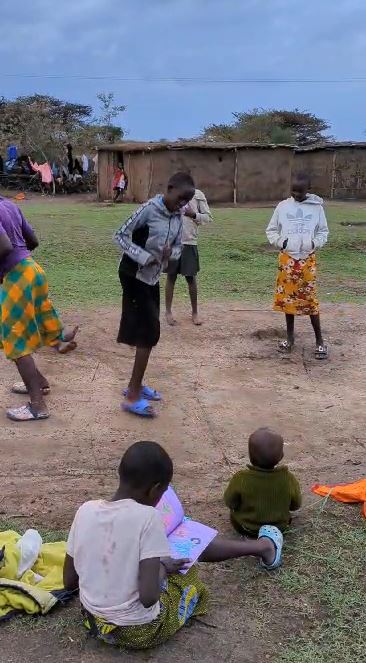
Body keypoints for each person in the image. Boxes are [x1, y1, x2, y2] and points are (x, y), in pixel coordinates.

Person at [63, 441, 283, 650]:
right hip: (139, 631)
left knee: (165, 556)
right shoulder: (148, 518)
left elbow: (69, 581)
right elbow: (149, 598)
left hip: (91, 620)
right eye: (163, 492)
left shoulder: (86, 510)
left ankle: (261, 547)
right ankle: (264, 547)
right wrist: (162, 568)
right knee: (189, 573)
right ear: (155, 489)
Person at [0, 165, 78, 422]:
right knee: (26, 324)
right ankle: (41, 381)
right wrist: (17, 256)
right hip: (33, 270)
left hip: (19, 275)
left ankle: (37, 406)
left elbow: (4, 245)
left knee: (15, 338)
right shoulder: (10, 206)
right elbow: (33, 241)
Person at [113, 172, 194, 417]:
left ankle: (135, 385)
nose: (181, 205)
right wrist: (144, 256)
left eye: (185, 202)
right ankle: (132, 395)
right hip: (133, 275)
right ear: (169, 188)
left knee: (146, 333)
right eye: (179, 198)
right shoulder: (148, 209)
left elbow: (179, 247)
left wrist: (170, 255)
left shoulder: (178, 216)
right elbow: (119, 235)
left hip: (152, 278)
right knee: (148, 335)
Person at [266, 174, 329, 359]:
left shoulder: (317, 208)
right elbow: (271, 229)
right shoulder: (283, 207)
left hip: (307, 260)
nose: (296, 194)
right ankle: (290, 339)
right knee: (287, 301)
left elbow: (323, 231)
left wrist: (313, 243)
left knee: (310, 300)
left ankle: (320, 343)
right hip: (287, 259)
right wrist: (281, 243)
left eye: (300, 191)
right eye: (293, 190)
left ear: (308, 189)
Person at [224, 428, 302, 537]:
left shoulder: (241, 478)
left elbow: (230, 502)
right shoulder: (288, 478)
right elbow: (295, 505)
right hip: (279, 529)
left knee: (233, 515)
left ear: (250, 456)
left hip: (245, 528)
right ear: (281, 456)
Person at [165, 187, 213, 326]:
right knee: (171, 276)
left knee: (191, 278)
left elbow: (208, 218)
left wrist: (193, 215)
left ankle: (195, 313)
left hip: (190, 242)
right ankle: (168, 312)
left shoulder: (198, 195)